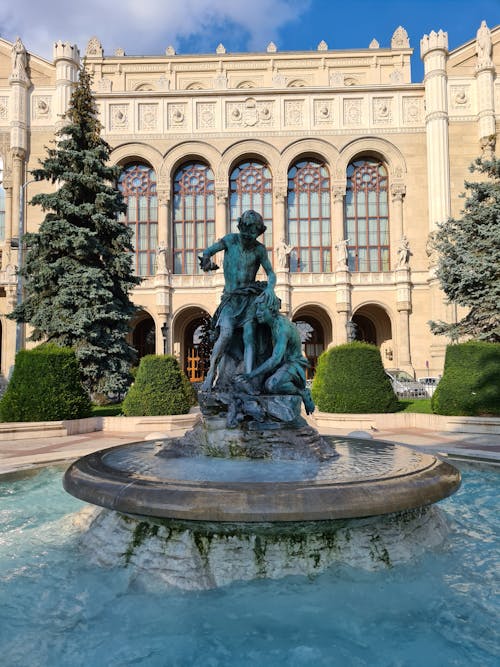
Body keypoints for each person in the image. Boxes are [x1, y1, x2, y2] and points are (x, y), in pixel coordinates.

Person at [199, 209, 277, 390]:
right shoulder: (230, 240)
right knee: (225, 334)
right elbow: (207, 251)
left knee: (250, 338)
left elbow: (271, 273)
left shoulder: (259, 249)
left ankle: (248, 379)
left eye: (253, 234)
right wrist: (206, 261)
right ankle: (211, 375)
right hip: (231, 299)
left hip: (248, 299)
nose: (249, 237)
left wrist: (270, 289)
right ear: (240, 227)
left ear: (258, 233)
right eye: (246, 233)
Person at [241, 295, 315, 414]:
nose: (257, 313)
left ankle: (302, 393)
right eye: (257, 310)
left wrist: (251, 374)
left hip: (293, 365)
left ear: (271, 310)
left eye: (261, 310)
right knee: (260, 386)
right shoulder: (272, 324)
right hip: (281, 365)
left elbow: (275, 359)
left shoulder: (282, 328)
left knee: (272, 386)